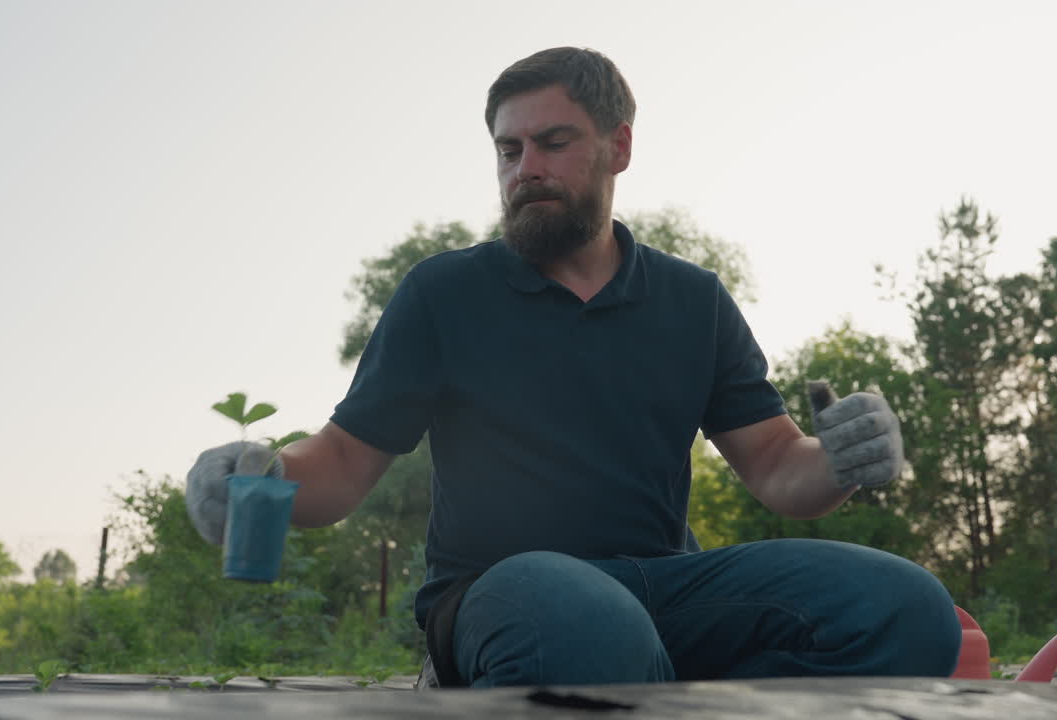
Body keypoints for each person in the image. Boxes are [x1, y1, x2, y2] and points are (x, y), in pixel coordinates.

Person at [185, 46, 961, 688]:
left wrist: (841, 461)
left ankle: (654, 683)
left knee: (904, 607)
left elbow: (776, 465)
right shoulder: (446, 292)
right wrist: (266, 478)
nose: (526, 168)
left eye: (553, 143)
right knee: (577, 613)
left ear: (618, 147)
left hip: (666, 586)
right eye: (509, 150)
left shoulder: (692, 301)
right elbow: (346, 459)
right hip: (499, 592)